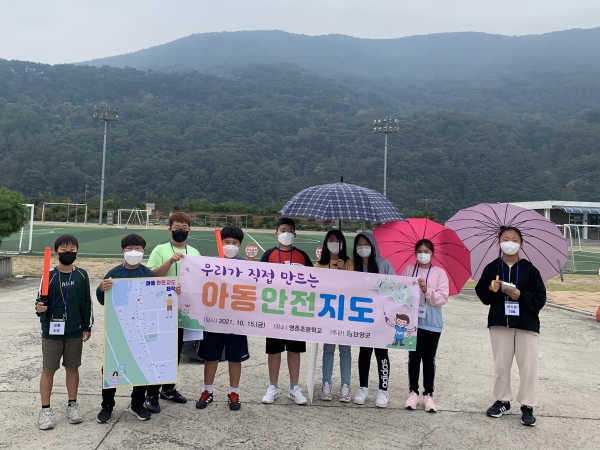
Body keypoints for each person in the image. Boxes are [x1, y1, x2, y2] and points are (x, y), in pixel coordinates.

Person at [475, 226, 546, 427]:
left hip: (526, 325)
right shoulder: (492, 268)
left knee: (528, 367)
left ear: (521, 244)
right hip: (500, 323)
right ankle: (502, 401)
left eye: (514, 240)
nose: (510, 243)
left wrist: (520, 295)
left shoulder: (530, 270)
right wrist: (491, 288)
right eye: (505, 239)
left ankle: (527, 405)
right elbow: (483, 296)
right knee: (501, 365)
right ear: (499, 242)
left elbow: (540, 299)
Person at [96, 234, 158, 423]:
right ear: (123, 251)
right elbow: (102, 300)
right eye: (129, 248)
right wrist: (101, 288)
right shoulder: (114, 273)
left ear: (144, 251)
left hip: (141, 330)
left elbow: (156, 300)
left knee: (141, 366)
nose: (133, 251)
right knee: (112, 368)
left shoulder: (148, 274)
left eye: (137, 248)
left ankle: (137, 404)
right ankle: (107, 405)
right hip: (118, 330)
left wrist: (173, 292)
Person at [35, 234, 92, 430]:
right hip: (51, 332)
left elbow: (87, 302)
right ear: (56, 253)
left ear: (77, 252)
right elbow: (39, 302)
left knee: (72, 368)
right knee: (48, 369)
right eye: (64, 250)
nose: (68, 253)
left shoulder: (82, 275)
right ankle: (45, 410)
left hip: (74, 331)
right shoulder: (49, 275)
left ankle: (72, 404)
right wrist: (39, 308)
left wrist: (86, 326)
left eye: (72, 250)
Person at [145, 211, 201, 412]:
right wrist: (170, 261)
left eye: (184, 228)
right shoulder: (160, 250)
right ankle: (151, 393)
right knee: (158, 351)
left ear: (189, 230)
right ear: (169, 230)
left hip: (183, 310)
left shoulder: (194, 252)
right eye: (177, 228)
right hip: (161, 308)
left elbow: (200, 279)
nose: (180, 231)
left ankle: (168, 389)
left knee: (175, 351)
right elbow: (151, 275)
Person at [260, 218, 313, 405]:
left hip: (296, 311)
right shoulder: (268, 255)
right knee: (274, 350)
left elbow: (314, 280)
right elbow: (257, 279)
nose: (286, 233)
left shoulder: (302, 256)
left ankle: (294, 387)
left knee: (294, 349)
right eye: (283, 230)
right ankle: (273, 386)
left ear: (295, 235)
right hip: (274, 310)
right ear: (276, 233)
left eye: (290, 230)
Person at [196, 225, 249, 411]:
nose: (230, 246)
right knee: (211, 357)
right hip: (214, 320)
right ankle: (207, 390)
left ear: (240, 245)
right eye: (227, 242)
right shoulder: (210, 264)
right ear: (220, 242)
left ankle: (233, 392)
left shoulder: (247, 266)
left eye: (235, 243)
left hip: (237, 320)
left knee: (235, 358)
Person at [401, 239, 449, 413]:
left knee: (429, 359)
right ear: (415, 253)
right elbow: (400, 293)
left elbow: (442, 298)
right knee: (413, 358)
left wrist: (426, 290)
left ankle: (428, 394)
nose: (423, 254)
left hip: (432, 323)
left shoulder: (439, 273)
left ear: (432, 254)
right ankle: (413, 392)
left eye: (426, 251)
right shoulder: (409, 270)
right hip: (412, 322)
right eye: (420, 251)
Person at [351, 231, 396, 408]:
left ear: (373, 245)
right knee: (364, 353)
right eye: (359, 245)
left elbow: (395, 288)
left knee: (382, 354)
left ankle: (383, 390)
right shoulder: (354, 265)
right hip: (363, 318)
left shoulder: (384, 264)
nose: (363, 248)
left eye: (366, 244)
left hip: (381, 318)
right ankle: (363, 388)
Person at [314, 229, 354, 402]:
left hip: (346, 314)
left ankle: (346, 385)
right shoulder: (320, 264)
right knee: (328, 349)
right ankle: (326, 383)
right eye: (331, 240)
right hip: (328, 313)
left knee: (345, 351)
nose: (334, 243)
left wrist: (344, 270)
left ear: (342, 243)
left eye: (337, 240)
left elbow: (356, 286)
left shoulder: (350, 263)